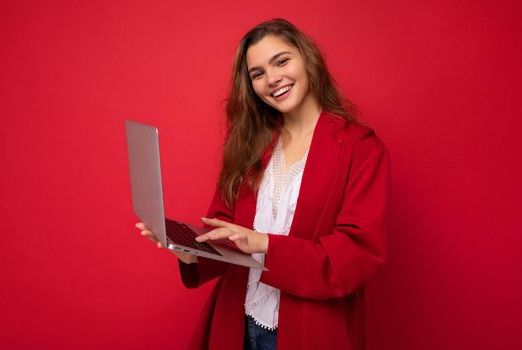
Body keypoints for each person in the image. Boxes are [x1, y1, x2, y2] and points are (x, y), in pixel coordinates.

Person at [136, 18, 390, 350]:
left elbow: (356, 254)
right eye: (258, 74)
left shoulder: (361, 148)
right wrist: (189, 253)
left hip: (308, 330)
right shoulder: (251, 144)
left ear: (307, 58)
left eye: (282, 61)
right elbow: (225, 228)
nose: (273, 79)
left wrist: (265, 243)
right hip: (237, 321)